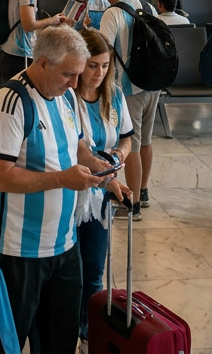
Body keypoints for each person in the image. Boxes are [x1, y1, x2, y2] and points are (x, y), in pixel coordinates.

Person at [0, 26, 130, 352]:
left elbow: (77, 148)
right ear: (43, 62)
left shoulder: (64, 98)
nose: (75, 83)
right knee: (7, 340)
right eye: (68, 74)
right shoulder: (12, 103)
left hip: (63, 244)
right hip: (19, 250)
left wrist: (106, 176)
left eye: (79, 74)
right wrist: (62, 179)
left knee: (59, 339)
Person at [73, 28, 135, 339]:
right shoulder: (66, 98)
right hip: (71, 196)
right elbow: (77, 150)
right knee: (70, 273)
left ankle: (89, 332)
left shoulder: (114, 95)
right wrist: (107, 174)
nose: (99, 73)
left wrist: (116, 160)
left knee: (95, 272)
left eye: (105, 65)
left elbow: (126, 139)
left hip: (98, 201)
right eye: (92, 65)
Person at [96, 0, 161, 218]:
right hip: (152, 83)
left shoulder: (112, 13)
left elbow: (104, 51)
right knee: (145, 140)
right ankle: (143, 191)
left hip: (128, 87)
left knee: (130, 143)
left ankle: (131, 204)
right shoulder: (148, 6)